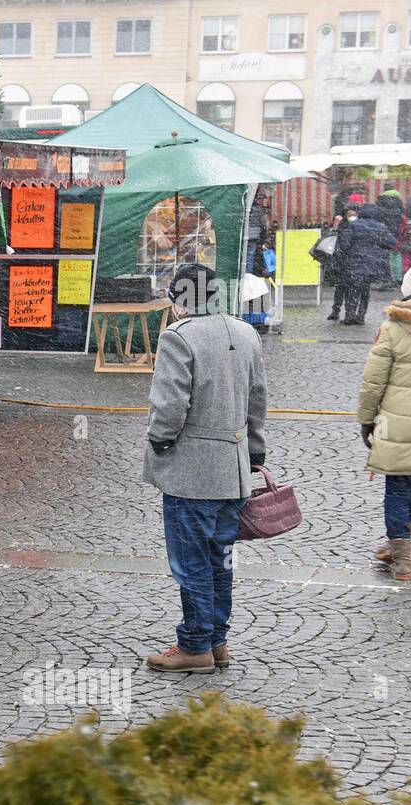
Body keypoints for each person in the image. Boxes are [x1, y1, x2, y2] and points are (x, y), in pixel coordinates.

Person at [143, 265, 268, 673]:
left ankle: (195, 645)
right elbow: (257, 400)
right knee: (220, 559)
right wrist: (254, 451)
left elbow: (170, 406)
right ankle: (217, 640)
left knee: (191, 561)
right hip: (232, 470)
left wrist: (160, 441)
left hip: (191, 470)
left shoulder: (179, 337)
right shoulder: (246, 333)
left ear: (177, 298)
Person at [357, 263, 411, 582]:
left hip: (396, 423)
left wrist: (366, 421)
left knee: (398, 483)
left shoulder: (392, 327)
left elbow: (373, 382)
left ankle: (401, 557)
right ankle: (399, 541)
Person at [333, 204, 398, 325]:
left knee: (353, 289)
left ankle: (349, 316)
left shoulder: (354, 225)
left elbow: (344, 244)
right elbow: (392, 242)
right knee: (365, 290)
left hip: (353, 263)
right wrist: (379, 245)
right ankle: (361, 316)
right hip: (372, 263)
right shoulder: (380, 227)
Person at [326, 203, 360, 322]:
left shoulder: (359, 227)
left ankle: (349, 313)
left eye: (354, 214)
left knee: (352, 289)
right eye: (349, 215)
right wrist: (335, 226)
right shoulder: (342, 226)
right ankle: (336, 311)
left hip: (354, 261)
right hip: (341, 261)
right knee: (340, 288)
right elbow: (330, 241)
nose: (352, 217)